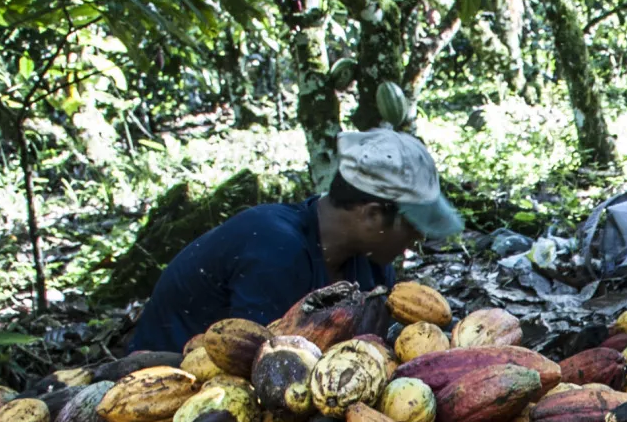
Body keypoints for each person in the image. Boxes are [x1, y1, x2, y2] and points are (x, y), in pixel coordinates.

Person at [127, 128, 463, 352]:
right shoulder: (276, 251)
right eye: (412, 226)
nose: (418, 237)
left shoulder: (370, 265)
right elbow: (260, 367)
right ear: (373, 215)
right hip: (163, 386)